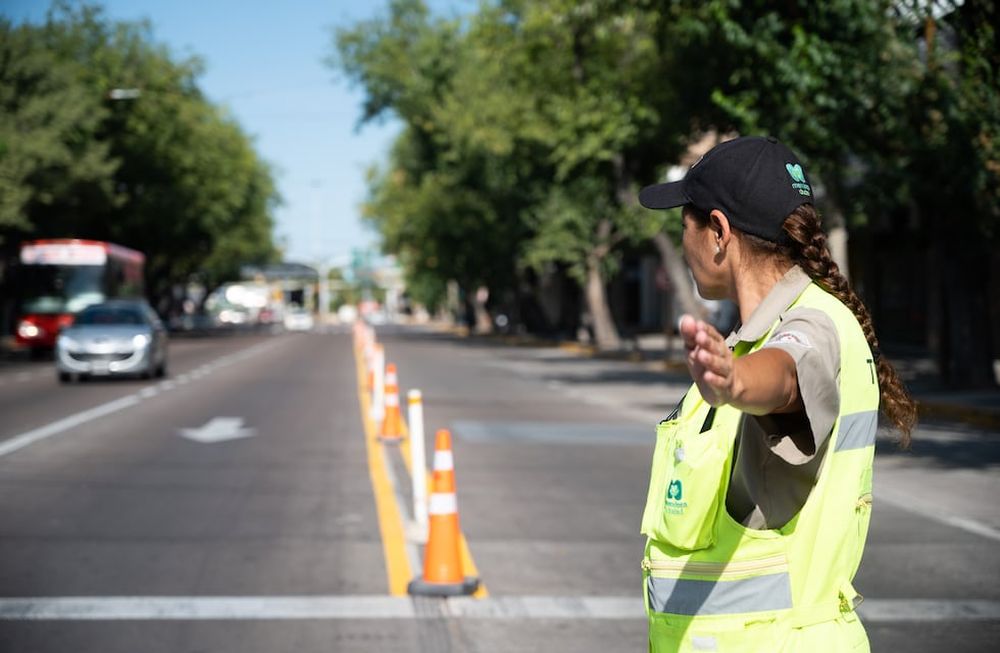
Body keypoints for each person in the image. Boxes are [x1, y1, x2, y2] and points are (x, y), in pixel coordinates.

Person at [636, 136, 916, 652]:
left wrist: (736, 382)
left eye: (683, 227)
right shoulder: (757, 334)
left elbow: (786, 375)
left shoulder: (811, 325)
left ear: (718, 232)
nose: (683, 243)